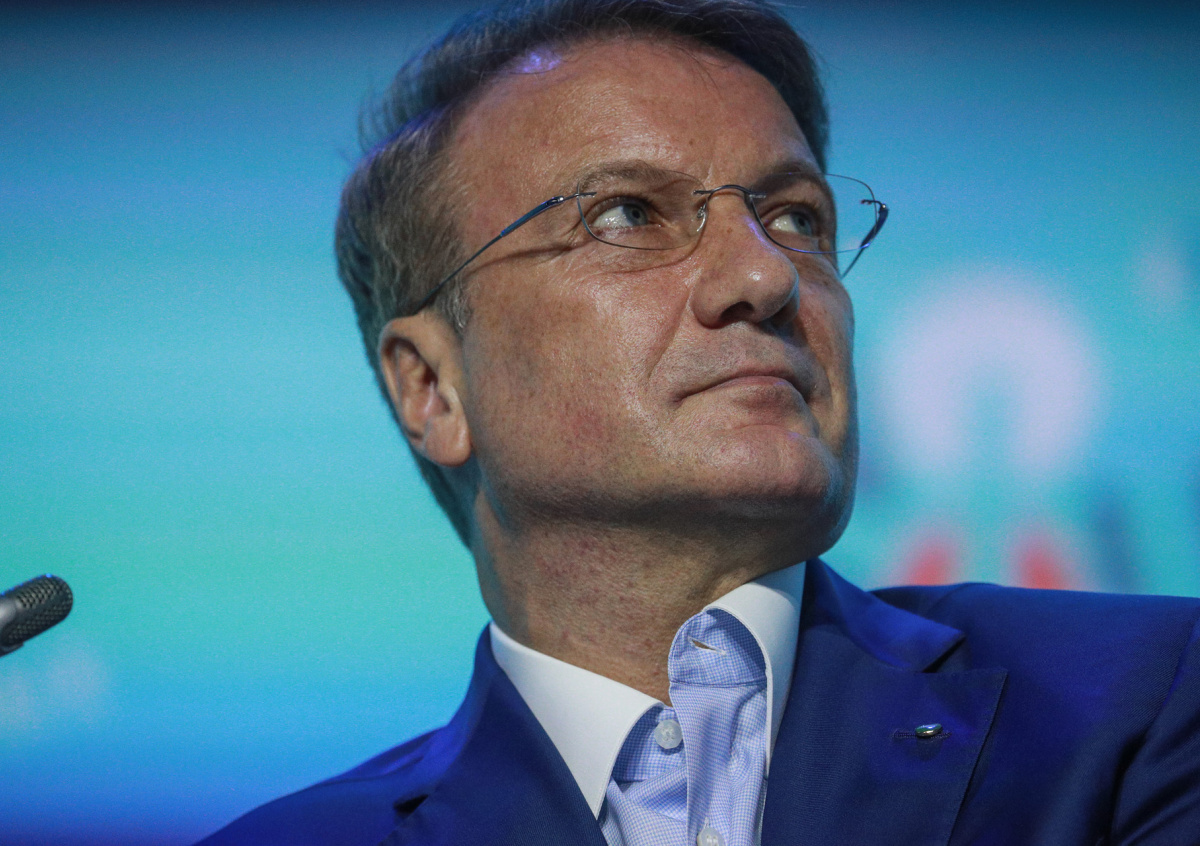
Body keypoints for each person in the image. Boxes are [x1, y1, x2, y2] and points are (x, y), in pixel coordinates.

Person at [196, 1, 1200, 844]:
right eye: (628, 215)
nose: (765, 275)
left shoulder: (1141, 708)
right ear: (432, 388)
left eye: (797, 218)